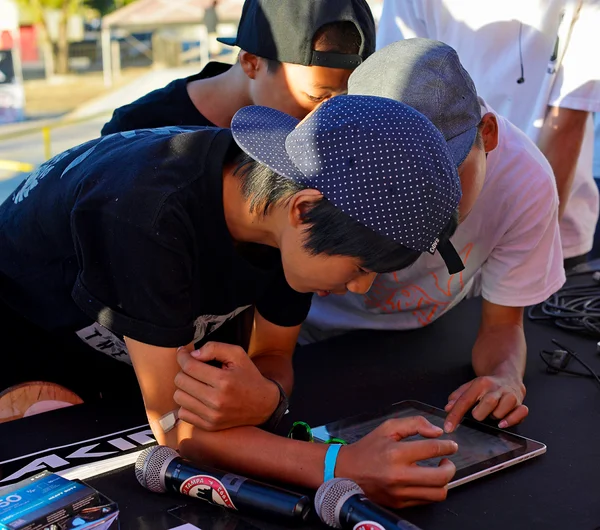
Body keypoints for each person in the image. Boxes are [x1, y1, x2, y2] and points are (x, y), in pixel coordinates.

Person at [0, 95, 464, 507]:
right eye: (361, 268)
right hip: (26, 357)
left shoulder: (283, 216)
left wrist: (268, 397)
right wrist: (339, 467)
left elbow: (274, 355)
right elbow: (177, 429)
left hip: (132, 361)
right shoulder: (147, 216)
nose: (361, 288)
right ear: (304, 209)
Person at [302, 39, 565, 433]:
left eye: (444, 171)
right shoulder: (324, 158)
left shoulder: (526, 184)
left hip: (420, 346)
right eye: (398, 179)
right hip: (307, 343)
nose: (423, 198)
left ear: (487, 134)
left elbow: (502, 326)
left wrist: (505, 376)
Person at [377, 0, 600, 271]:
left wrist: (537, 241)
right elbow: (397, 95)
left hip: (546, 216)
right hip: (436, 216)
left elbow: (567, 123)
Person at [101, 0, 376, 135]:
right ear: (251, 63)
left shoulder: (334, 137)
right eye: (317, 97)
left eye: (344, 98)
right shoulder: (139, 130)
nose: (329, 117)